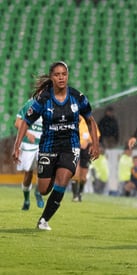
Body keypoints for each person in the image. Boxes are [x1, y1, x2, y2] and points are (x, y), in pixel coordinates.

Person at [12, 61, 99, 230]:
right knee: (44, 189)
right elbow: (25, 122)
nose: (61, 77)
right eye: (57, 75)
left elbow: (90, 119)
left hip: (70, 146)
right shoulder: (43, 99)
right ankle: (46, 182)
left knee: (63, 179)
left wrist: (96, 144)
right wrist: (17, 146)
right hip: (48, 146)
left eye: (64, 74)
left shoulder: (77, 97)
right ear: (52, 77)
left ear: (67, 76)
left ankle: (43, 220)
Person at [14, 99, 44, 210]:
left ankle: (38, 192)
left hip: (44, 144)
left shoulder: (53, 103)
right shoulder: (30, 104)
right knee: (28, 174)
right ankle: (26, 200)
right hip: (28, 144)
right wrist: (27, 133)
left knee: (44, 171)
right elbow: (17, 122)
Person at [71, 115, 100, 202]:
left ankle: (79, 193)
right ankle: (75, 195)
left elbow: (97, 136)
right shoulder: (75, 122)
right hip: (76, 148)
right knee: (76, 172)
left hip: (86, 150)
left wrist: (90, 143)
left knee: (83, 177)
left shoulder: (91, 122)